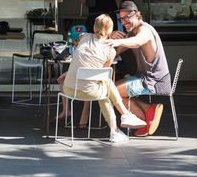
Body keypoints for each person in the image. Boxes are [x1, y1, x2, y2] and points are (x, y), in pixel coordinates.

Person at [58, 14, 146, 143]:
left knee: (105, 85)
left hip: (69, 89)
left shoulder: (83, 37)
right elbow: (101, 74)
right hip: (89, 92)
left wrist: (67, 73)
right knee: (105, 86)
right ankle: (121, 121)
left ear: (94, 27)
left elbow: (79, 60)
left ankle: (123, 120)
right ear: (110, 30)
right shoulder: (110, 51)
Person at [105, 1, 171, 137]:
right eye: (121, 19)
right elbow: (116, 51)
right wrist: (109, 37)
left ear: (136, 15)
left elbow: (138, 41)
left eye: (126, 17)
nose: (123, 22)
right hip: (144, 77)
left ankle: (144, 120)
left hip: (155, 80)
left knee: (113, 92)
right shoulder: (131, 33)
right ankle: (148, 110)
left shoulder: (144, 30)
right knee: (112, 91)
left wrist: (118, 41)